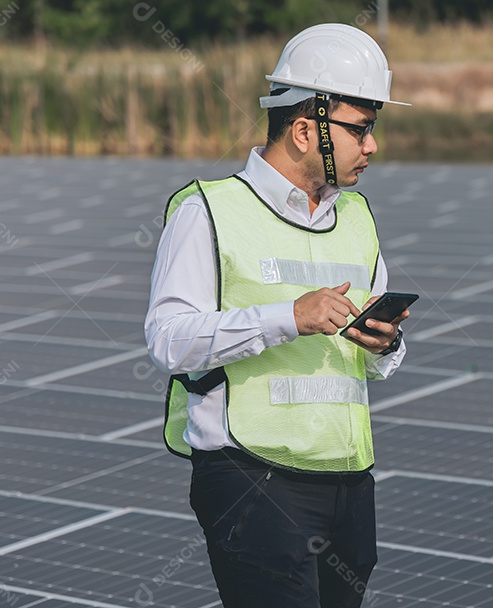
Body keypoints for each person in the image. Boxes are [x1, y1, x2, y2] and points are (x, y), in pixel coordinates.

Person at [144, 23, 410, 608]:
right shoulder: (208, 211)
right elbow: (167, 341)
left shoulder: (359, 217)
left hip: (348, 481)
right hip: (251, 479)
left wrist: (383, 344)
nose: (372, 147)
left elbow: (374, 364)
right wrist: (287, 317)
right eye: (360, 129)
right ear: (303, 129)